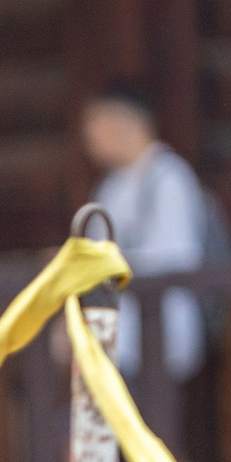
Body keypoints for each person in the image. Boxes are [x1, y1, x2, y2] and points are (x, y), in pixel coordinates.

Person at [80, 82, 211, 382]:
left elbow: (177, 257)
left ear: (123, 123)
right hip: (116, 336)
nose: (89, 137)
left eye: (95, 124)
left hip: (160, 335)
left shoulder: (170, 178)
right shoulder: (110, 187)